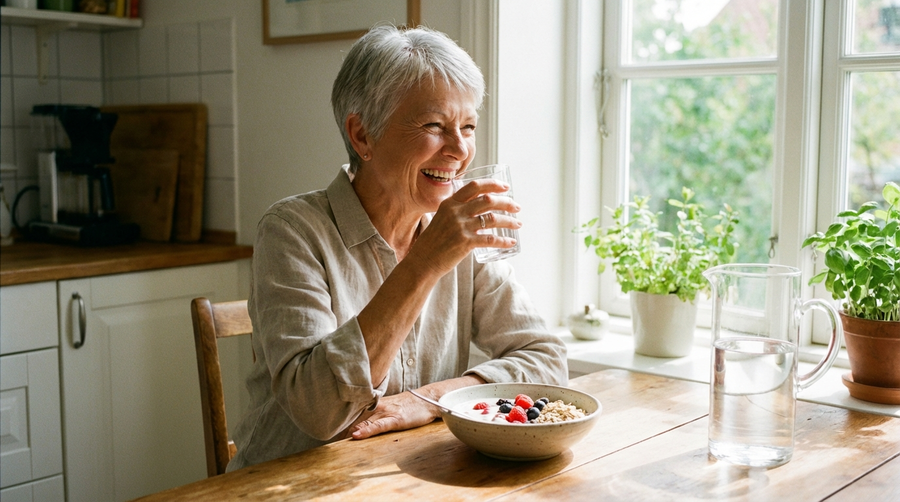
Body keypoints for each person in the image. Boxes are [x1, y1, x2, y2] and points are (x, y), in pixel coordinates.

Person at [227, 24, 568, 471]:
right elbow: (319, 412)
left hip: (406, 474)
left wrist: (430, 399)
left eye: (468, 126)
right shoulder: (292, 231)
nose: (460, 149)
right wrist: (426, 263)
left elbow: (547, 360)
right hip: (289, 483)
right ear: (362, 135)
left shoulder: (460, 235)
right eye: (434, 125)